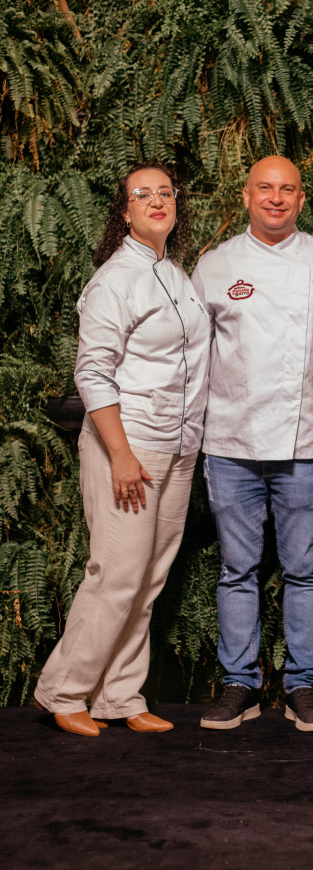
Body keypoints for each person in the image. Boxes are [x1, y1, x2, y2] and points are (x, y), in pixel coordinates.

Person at [34, 164, 210, 737]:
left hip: (178, 447)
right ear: (125, 211)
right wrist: (121, 454)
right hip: (129, 446)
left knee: (149, 577)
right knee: (116, 574)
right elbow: (92, 372)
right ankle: (63, 691)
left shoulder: (176, 274)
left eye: (165, 193)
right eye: (143, 194)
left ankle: (119, 695)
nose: (157, 201)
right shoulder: (115, 279)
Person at [192, 156, 313, 732]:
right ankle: (240, 683)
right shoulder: (214, 265)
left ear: (302, 199)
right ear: (246, 196)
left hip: (306, 441)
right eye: (265, 187)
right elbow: (191, 354)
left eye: (288, 189)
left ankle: (303, 685)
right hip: (230, 441)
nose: (276, 198)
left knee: (304, 571)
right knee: (237, 570)